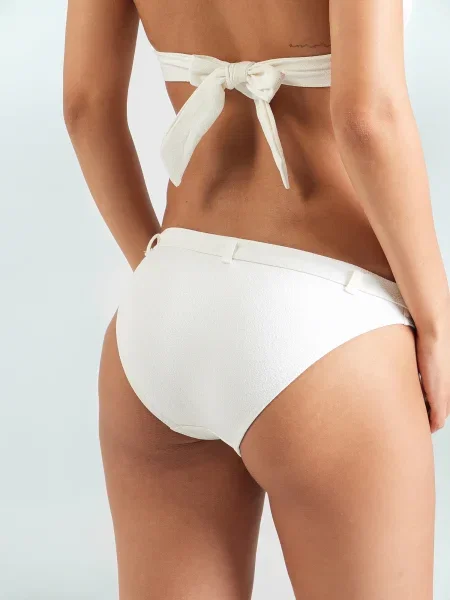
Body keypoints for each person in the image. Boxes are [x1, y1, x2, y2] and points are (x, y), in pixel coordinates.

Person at [63, 0, 449, 597]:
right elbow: (365, 117)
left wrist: (160, 270)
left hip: (165, 307)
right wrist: (436, 319)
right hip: (326, 322)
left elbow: (85, 106)